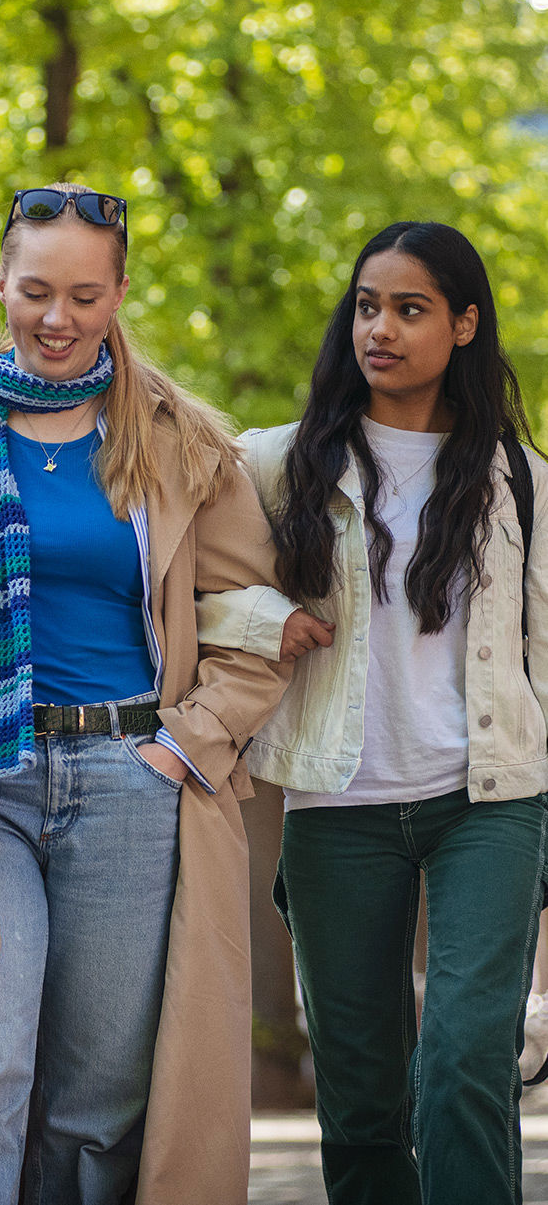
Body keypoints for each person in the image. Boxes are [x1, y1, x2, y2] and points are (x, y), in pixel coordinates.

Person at [0, 182, 291, 1205]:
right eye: (35, 289)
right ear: (0, 280)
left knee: (99, 1095)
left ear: (119, 291)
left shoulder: (177, 440)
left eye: (85, 295)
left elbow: (261, 622)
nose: (57, 317)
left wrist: (183, 744)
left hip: (131, 781)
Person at [199, 221, 548, 1205]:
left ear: (465, 324)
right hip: (335, 806)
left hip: (490, 801)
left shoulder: (520, 480)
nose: (378, 328)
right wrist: (266, 617)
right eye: (365, 305)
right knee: (357, 1104)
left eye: (408, 308)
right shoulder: (274, 466)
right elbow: (174, 582)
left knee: (463, 1064)